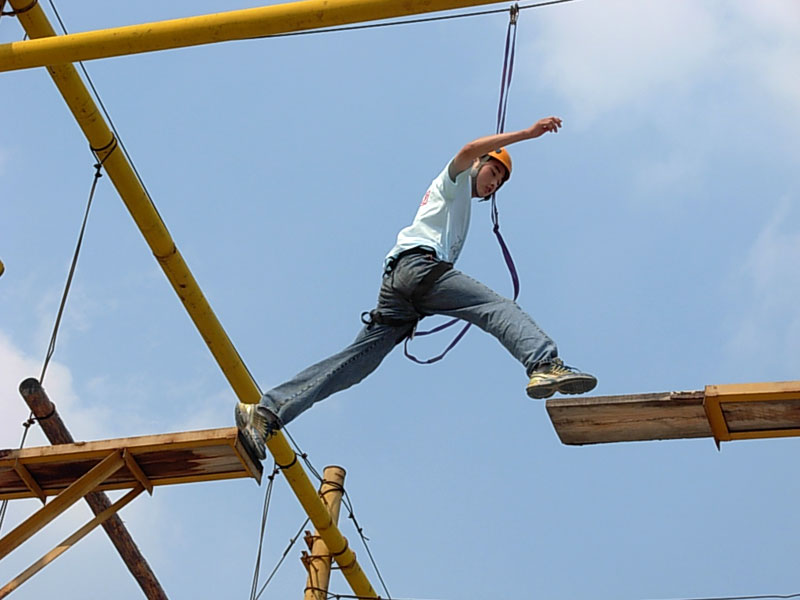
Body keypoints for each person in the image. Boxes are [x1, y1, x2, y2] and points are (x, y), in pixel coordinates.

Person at [236, 116, 596, 459]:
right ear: (479, 164)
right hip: (418, 269)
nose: (493, 183)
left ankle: (267, 412)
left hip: (402, 289)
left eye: (500, 182)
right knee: (498, 309)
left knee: (355, 363)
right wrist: (527, 134)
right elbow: (468, 148)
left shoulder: (458, 208)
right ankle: (545, 363)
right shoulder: (452, 181)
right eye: (493, 171)